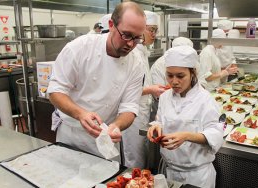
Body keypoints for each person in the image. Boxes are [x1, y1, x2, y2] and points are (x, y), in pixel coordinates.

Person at [47, 2, 146, 160]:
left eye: (137, 38)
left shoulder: (136, 62)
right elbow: (55, 91)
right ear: (111, 25)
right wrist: (80, 114)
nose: (130, 44)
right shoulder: (80, 48)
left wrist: (116, 126)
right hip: (72, 135)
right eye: (126, 35)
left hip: (106, 139)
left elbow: (130, 107)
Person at [147, 45, 224, 188]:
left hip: (197, 176)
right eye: (169, 75)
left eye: (180, 76)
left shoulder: (205, 99)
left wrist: (187, 136)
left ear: (192, 73)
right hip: (169, 172)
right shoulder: (164, 97)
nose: (174, 81)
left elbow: (216, 134)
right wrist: (156, 127)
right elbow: (160, 120)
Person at [122, 10, 166, 168]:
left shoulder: (142, 52)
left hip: (143, 111)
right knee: (135, 156)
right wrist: (151, 89)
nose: (154, 34)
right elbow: (124, 90)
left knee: (143, 152)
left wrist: (152, 89)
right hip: (132, 114)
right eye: (151, 29)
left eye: (156, 30)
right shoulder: (132, 53)